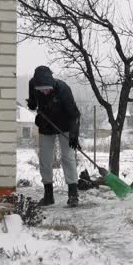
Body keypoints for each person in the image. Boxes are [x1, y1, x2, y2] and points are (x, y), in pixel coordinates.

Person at [26, 66, 81, 207]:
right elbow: (33, 102)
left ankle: (73, 194)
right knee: (45, 158)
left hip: (65, 125)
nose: (45, 92)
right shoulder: (33, 84)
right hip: (46, 123)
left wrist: (74, 135)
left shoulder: (63, 89)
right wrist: (32, 104)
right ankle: (48, 195)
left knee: (67, 156)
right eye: (42, 90)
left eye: (47, 89)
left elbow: (74, 114)